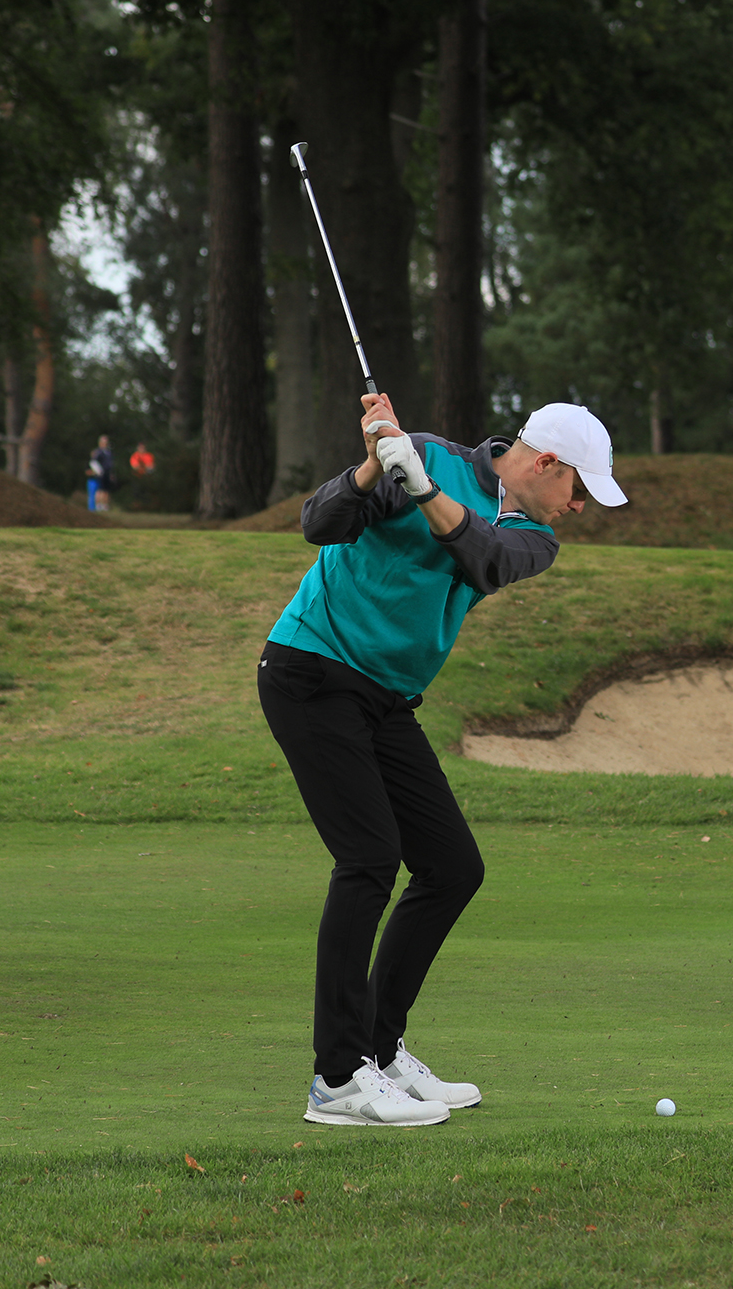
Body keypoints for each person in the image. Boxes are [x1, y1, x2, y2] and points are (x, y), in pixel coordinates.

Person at [258, 393, 626, 1126]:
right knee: (368, 857)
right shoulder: (418, 451)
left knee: (453, 866)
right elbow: (317, 524)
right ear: (547, 463)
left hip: (385, 697)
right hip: (312, 669)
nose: (578, 506)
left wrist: (419, 488)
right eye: (578, 488)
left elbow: (483, 558)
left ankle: (378, 1046)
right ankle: (336, 1078)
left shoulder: (531, 535)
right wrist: (368, 472)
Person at [87, 435, 119, 512]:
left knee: (106, 490)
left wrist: (111, 473)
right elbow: (93, 462)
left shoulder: (108, 452)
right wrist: (99, 471)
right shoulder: (98, 452)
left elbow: (110, 464)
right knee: (100, 490)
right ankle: (98, 505)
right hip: (101, 474)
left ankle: (105, 505)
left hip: (107, 473)